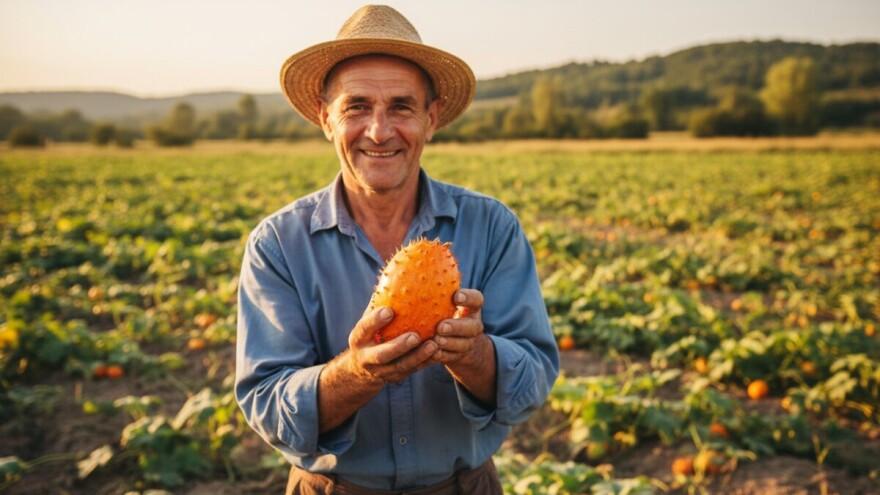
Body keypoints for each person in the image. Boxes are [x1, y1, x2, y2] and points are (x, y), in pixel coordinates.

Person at [235, 5, 559, 494]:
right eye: (357, 107)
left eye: (401, 107)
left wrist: (473, 355)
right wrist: (357, 372)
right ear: (326, 119)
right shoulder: (279, 243)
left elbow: (533, 383)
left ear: (431, 120)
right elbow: (267, 406)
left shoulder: (492, 226)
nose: (380, 131)